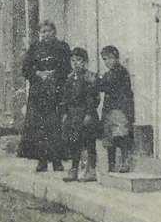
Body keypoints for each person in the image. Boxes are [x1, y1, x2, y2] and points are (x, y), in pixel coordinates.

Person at [19, 20, 71, 172]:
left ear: (54, 32)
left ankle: (57, 161)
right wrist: (38, 74)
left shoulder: (62, 47)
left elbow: (68, 67)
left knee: (55, 126)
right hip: (39, 93)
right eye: (43, 31)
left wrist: (54, 74)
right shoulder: (34, 48)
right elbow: (25, 68)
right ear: (39, 34)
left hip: (57, 92)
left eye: (49, 31)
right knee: (39, 127)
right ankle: (41, 160)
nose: (46, 34)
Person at [60, 47, 102, 182]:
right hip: (73, 115)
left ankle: (91, 170)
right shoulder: (70, 78)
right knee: (74, 142)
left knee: (89, 142)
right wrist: (65, 113)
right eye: (72, 60)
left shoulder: (90, 77)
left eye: (79, 60)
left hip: (86, 114)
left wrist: (89, 113)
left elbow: (93, 97)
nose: (75, 63)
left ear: (85, 62)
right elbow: (66, 98)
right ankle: (74, 169)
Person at [95, 45, 135, 173]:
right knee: (109, 139)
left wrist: (96, 82)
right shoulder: (107, 74)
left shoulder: (121, 72)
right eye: (105, 59)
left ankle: (125, 162)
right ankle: (111, 164)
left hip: (120, 109)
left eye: (111, 58)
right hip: (109, 110)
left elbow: (110, 87)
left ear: (117, 58)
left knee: (121, 136)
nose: (108, 61)